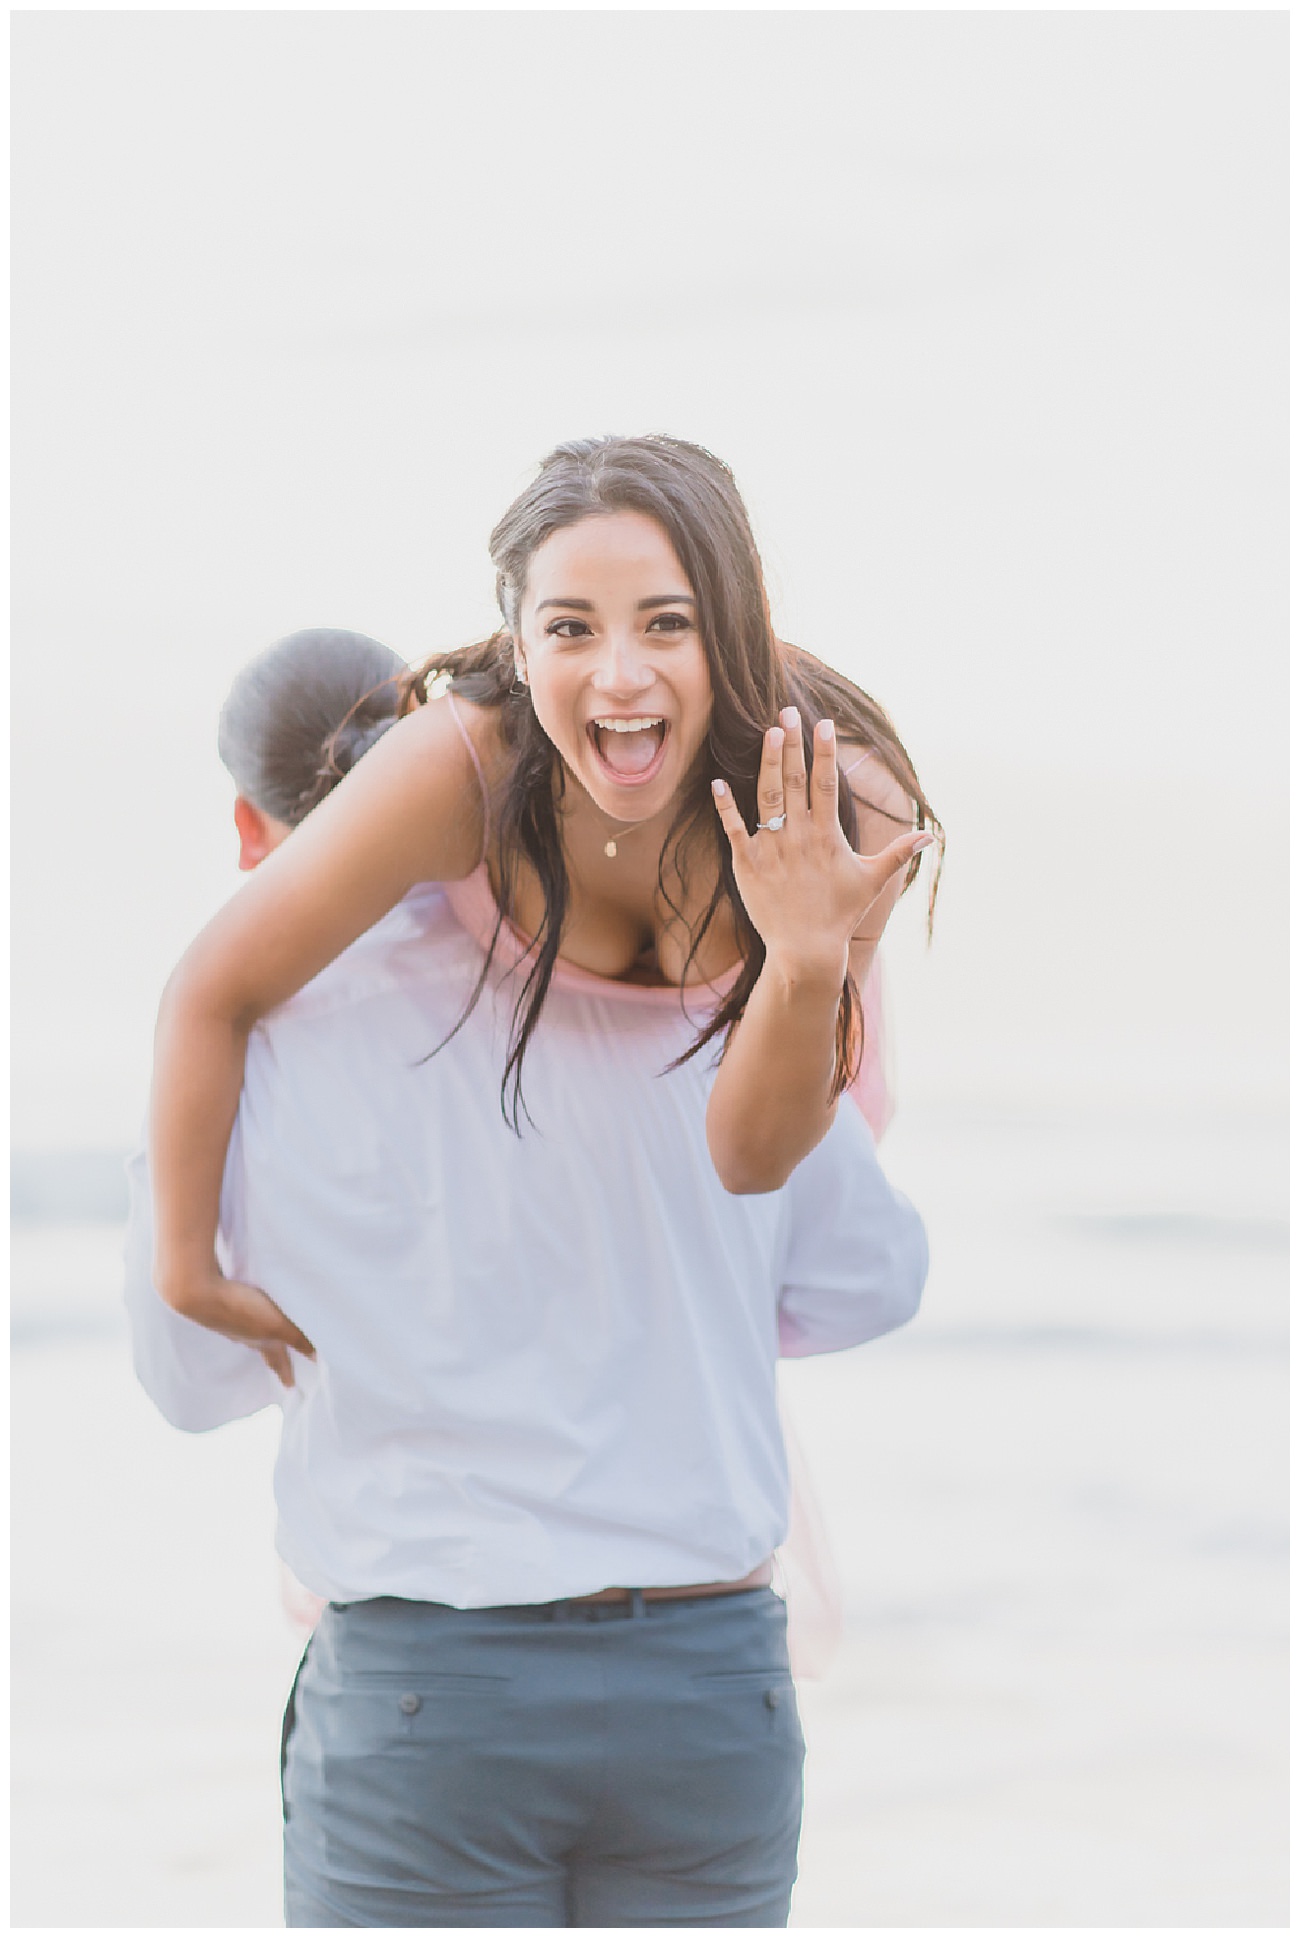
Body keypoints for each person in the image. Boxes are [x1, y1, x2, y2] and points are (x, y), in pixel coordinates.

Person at [144, 435, 940, 1927]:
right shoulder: (460, 765)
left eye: (663, 622)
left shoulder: (832, 806)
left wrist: (810, 956)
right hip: (670, 1691)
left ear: (732, 622)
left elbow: (751, 1151)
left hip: (505, 1691)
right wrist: (191, 1253)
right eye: (569, 627)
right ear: (513, 643)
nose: (617, 674)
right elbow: (845, 1259)